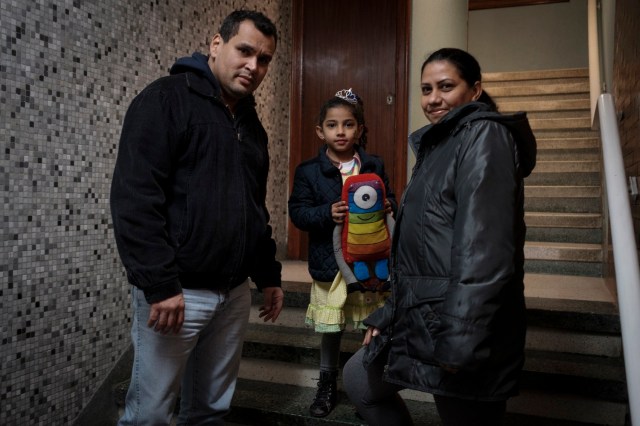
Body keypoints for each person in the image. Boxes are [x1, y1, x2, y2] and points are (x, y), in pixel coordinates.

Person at [343, 48, 537, 426]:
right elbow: (426, 248)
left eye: (446, 86)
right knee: (359, 379)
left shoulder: (485, 135)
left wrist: (462, 338)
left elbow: (485, 249)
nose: (433, 99)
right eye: (426, 88)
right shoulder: (441, 143)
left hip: (464, 322)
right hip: (425, 312)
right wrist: (390, 313)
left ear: (475, 89)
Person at [110, 10, 284, 426]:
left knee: (209, 412)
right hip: (178, 296)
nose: (253, 67)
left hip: (233, 295)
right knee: (149, 415)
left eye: (263, 60)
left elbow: (252, 207)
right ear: (216, 44)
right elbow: (135, 200)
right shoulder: (165, 100)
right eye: (245, 51)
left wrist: (269, 274)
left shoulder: (251, 123)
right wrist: (160, 284)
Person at [288, 89, 397, 418]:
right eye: (332, 125)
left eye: (348, 125)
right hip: (331, 264)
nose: (341, 131)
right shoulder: (308, 171)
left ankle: (369, 388)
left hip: (369, 262)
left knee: (372, 325)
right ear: (320, 131)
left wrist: (390, 203)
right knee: (332, 328)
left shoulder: (374, 164)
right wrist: (326, 213)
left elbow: (388, 197)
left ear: (360, 129)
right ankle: (327, 385)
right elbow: (298, 213)